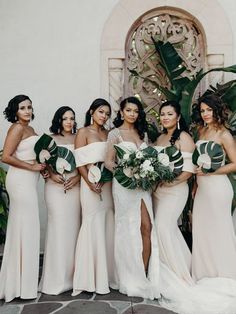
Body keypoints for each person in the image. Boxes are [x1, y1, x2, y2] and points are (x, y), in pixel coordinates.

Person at [105, 96, 160, 300]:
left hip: (143, 186)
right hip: (124, 186)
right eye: (129, 110)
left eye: (136, 111)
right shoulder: (115, 134)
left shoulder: (142, 133)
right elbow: (109, 162)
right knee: (129, 228)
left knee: (146, 226)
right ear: (121, 112)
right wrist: (126, 170)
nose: (132, 114)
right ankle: (129, 275)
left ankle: (144, 273)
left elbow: (150, 158)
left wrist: (146, 170)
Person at [0, 95, 46, 302]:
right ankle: (18, 284)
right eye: (22, 108)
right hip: (19, 181)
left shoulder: (31, 130)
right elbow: (6, 157)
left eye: (29, 106)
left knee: (27, 228)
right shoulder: (17, 128)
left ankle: (23, 283)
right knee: (25, 226)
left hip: (29, 180)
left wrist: (42, 167)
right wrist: (32, 167)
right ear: (15, 111)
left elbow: (33, 155)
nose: (27, 111)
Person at [72, 98, 117, 295]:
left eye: (107, 113)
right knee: (92, 222)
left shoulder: (108, 134)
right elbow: (79, 162)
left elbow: (110, 160)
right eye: (101, 112)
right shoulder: (83, 132)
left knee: (108, 223)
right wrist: (89, 183)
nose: (104, 116)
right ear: (92, 111)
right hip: (89, 185)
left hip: (107, 185)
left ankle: (106, 275)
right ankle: (89, 277)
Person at [192, 94, 236, 280]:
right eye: (202, 110)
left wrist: (210, 172)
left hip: (218, 188)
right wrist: (195, 186)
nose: (205, 114)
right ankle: (204, 274)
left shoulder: (224, 134)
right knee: (202, 229)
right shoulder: (201, 131)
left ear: (216, 110)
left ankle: (224, 274)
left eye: (209, 110)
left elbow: (235, 164)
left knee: (219, 230)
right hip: (202, 189)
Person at [152, 100, 195, 285]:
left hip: (175, 190)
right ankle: (166, 269)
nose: (165, 117)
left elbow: (189, 170)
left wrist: (171, 183)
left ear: (177, 117)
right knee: (164, 230)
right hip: (157, 191)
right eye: (162, 114)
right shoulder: (160, 138)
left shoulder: (184, 137)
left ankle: (178, 275)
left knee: (163, 226)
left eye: (170, 114)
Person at [39, 106, 81, 295]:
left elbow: (84, 164)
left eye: (72, 118)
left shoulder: (78, 138)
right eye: (65, 118)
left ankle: (74, 277)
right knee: (58, 229)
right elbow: (42, 163)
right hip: (55, 188)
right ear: (59, 120)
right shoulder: (50, 139)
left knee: (74, 229)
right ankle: (56, 278)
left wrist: (77, 178)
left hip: (75, 187)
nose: (69, 122)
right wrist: (50, 175)